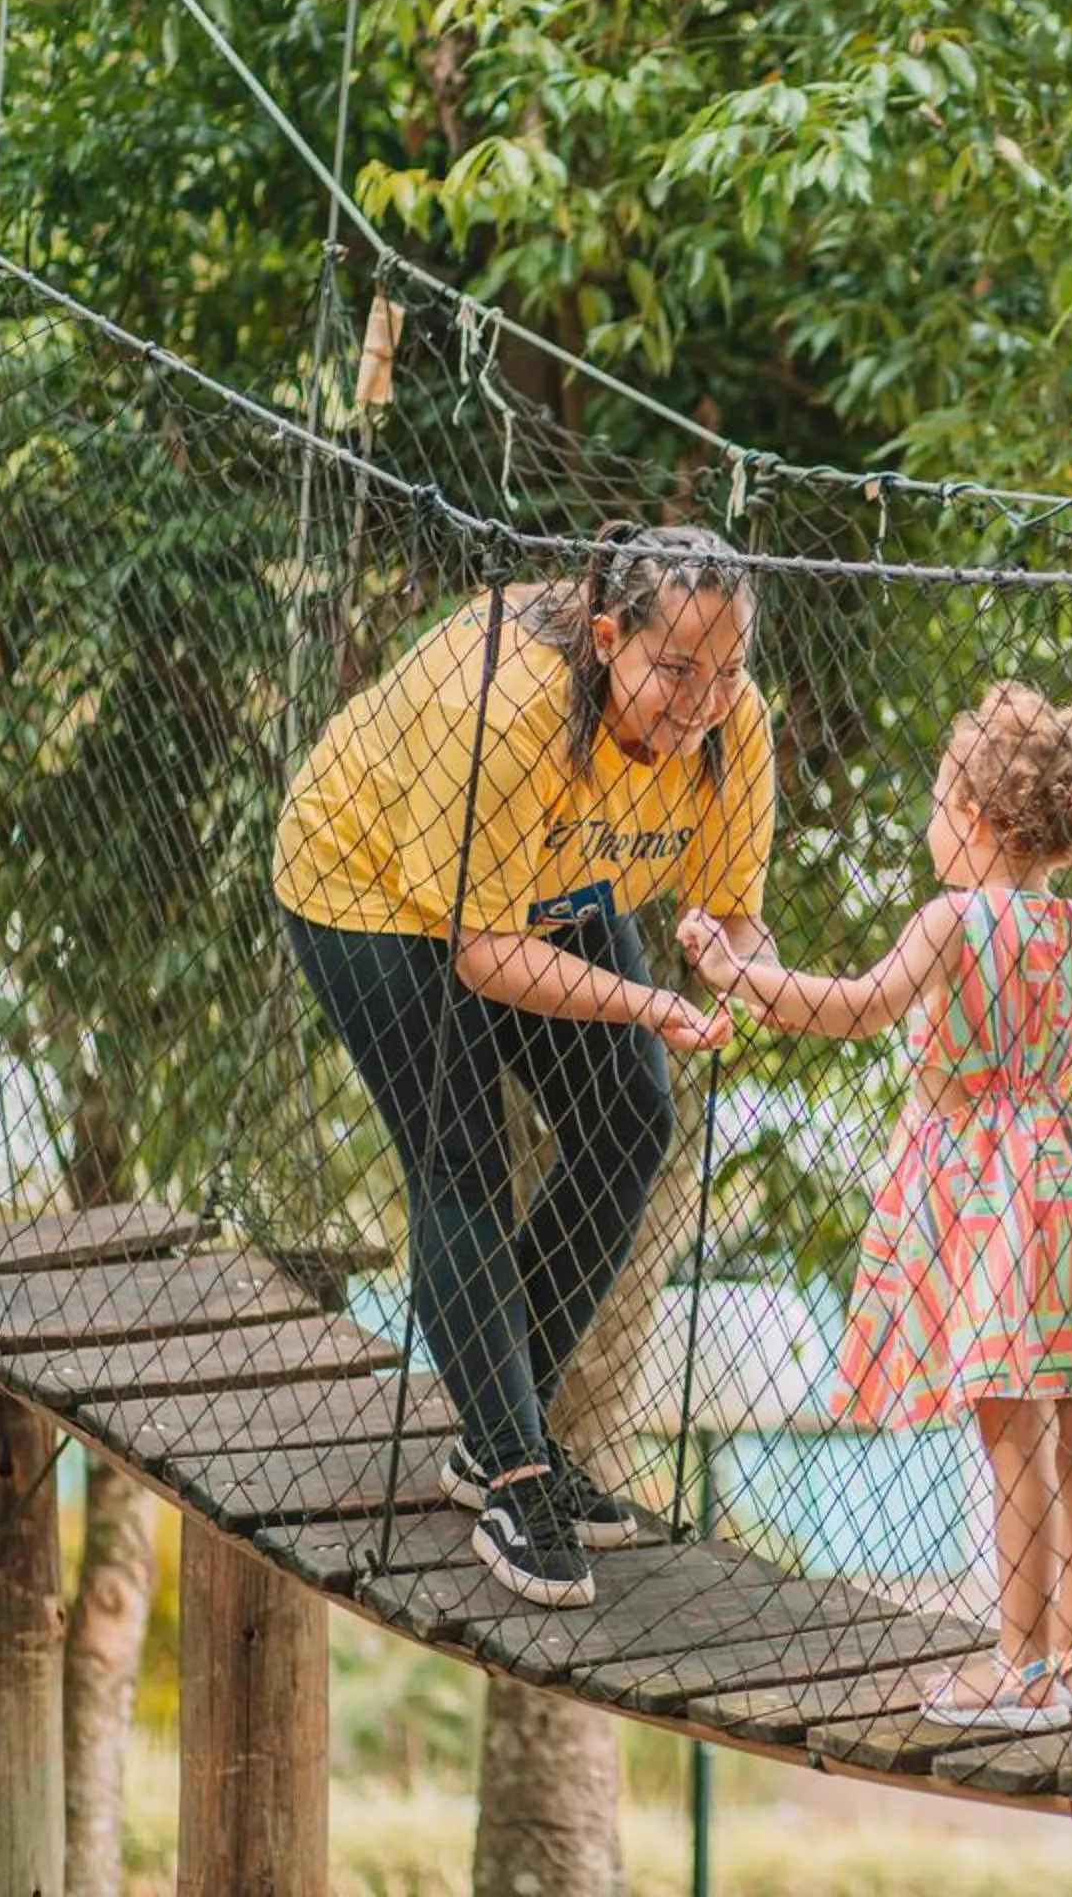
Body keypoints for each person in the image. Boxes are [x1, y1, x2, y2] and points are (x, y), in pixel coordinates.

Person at [275, 522, 777, 1609]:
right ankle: (514, 1473)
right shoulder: (512, 714)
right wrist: (651, 1001)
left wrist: (767, 982)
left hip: (548, 883)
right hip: (368, 885)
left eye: (727, 671)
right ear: (607, 640)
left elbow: (734, 918)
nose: (702, 701)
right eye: (675, 670)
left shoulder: (733, 724)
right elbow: (485, 956)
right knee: (461, 1151)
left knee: (633, 1116)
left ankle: (505, 1434)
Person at [679, 680, 1072, 1728]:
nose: (929, 827)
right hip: (1071, 1189)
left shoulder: (952, 922)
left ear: (979, 817)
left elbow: (857, 1009)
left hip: (990, 1201)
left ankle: (1019, 1669)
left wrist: (738, 974)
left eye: (940, 802)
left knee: (1013, 1432)